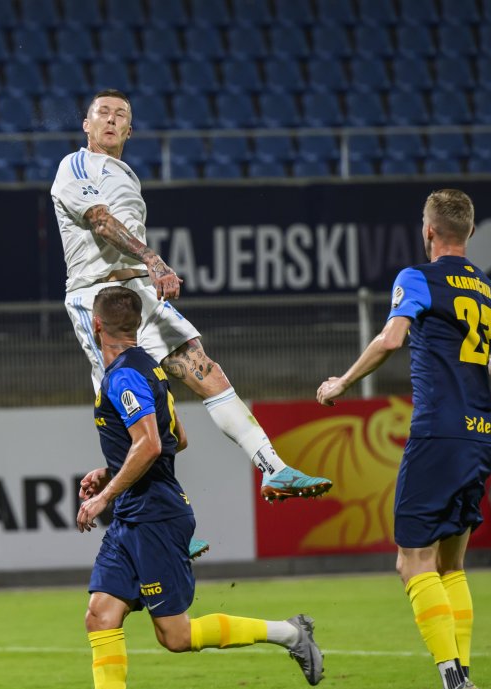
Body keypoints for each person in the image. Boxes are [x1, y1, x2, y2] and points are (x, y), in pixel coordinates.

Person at [50, 89, 332, 533]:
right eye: (101, 113)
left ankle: (273, 467)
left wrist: (145, 268)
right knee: (136, 413)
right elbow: (100, 221)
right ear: (86, 125)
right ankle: (148, 522)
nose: (110, 119)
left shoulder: (125, 173)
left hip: (138, 292)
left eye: (120, 115)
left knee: (206, 370)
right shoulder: (75, 166)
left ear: (130, 129)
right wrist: (152, 258)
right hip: (98, 297)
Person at [60, 287, 324, 689]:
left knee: (176, 637)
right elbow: (176, 437)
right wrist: (110, 466)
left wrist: (103, 494)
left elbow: (153, 445)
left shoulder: (123, 378)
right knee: (101, 616)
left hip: (155, 516)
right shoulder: (148, 367)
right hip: (134, 515)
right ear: (136, 325)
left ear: (96, 326)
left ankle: (289, 632)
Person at [316, 189, 491, 689]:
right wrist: (474, 363)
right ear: (470, 234)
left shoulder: (417, 277)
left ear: (429, 232)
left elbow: (392, 337)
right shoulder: (488, 288)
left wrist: (341, 382)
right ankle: (451, 688)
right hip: (482, 435)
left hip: (438, 432)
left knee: (412, 563)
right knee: (450, 564)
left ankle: (455, 683)